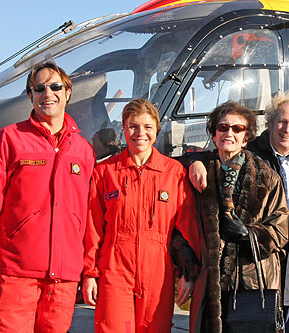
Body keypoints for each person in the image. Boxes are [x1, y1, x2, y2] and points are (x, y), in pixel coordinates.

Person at [0, 62, 95, 331]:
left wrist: (89, 271)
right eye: (39, 88)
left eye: (55, 86)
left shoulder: (82, 150)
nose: (48, 93)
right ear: (30, 96)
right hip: (15, 275)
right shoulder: (7, 140)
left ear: (68, 92)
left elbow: (89, 217)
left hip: (64, 280)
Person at [187, 93, 289, 332]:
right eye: (223, 127)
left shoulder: (267, 175)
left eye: (237, 128)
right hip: (209, 283)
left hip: (254, 281)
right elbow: (182, 224)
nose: (230, 133)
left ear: (246, 137)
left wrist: (248, 234)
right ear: (214, 133)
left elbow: (280, 229)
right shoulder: (199, 174)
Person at [82, 98, 202, 332]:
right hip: (114, 271)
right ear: (124, 129)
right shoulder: (105, 172)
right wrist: (89, 274)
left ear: (156, 130)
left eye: (147, 127)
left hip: (158, 271)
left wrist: (189, 272)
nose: (140, 133)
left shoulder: (173, 173)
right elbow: (92, 228)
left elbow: (188, 228)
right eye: (133, 126)